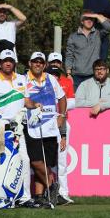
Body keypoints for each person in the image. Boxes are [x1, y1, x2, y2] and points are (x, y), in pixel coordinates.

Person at [0, 50, 40, 208]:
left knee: (24, 160)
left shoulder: (22, 80)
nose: (8, 63)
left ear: (14, 62)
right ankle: (0, 197)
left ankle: (23, 197)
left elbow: (26, 101)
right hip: (1, 129)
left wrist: (35, 105)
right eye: (5, 61)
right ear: (0, 63)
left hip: (18, 128)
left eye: (10, 60)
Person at [24, 52, 67, 207]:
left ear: (44, 64)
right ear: (30, 63)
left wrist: (61, 115)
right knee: (36, 161)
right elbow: (25, 99)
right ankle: (52, 184)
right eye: (35, 61)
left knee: (46, 162)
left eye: (41, 62)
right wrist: (32, 105)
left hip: (50, 127)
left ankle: (39, 195)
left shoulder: (51, 79)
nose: (38, 64)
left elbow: (62, 98)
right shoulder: (24, 79)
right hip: (32, 126)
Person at [46, 52, 75, 205]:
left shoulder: (67, 82)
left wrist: (58, 107)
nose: (55, 65)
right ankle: (49, 192)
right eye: (53, 63)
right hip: (46, 124)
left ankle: (63, 192)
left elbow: (71, 103)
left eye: (58, 63)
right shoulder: (43, 82)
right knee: (48, 160)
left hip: (62, 123)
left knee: (62, 160)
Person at [65, 11, 110, 90]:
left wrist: (97, 15)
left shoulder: (98, 34)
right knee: (78, 101)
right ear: (82, 21)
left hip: (93, 75)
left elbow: (109, 27)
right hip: (77, 77)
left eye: (91, 19)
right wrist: (68, 74)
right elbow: (69, 55)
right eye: (86, 19)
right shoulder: (73, 37)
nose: (89, 21)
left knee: (93, 101)